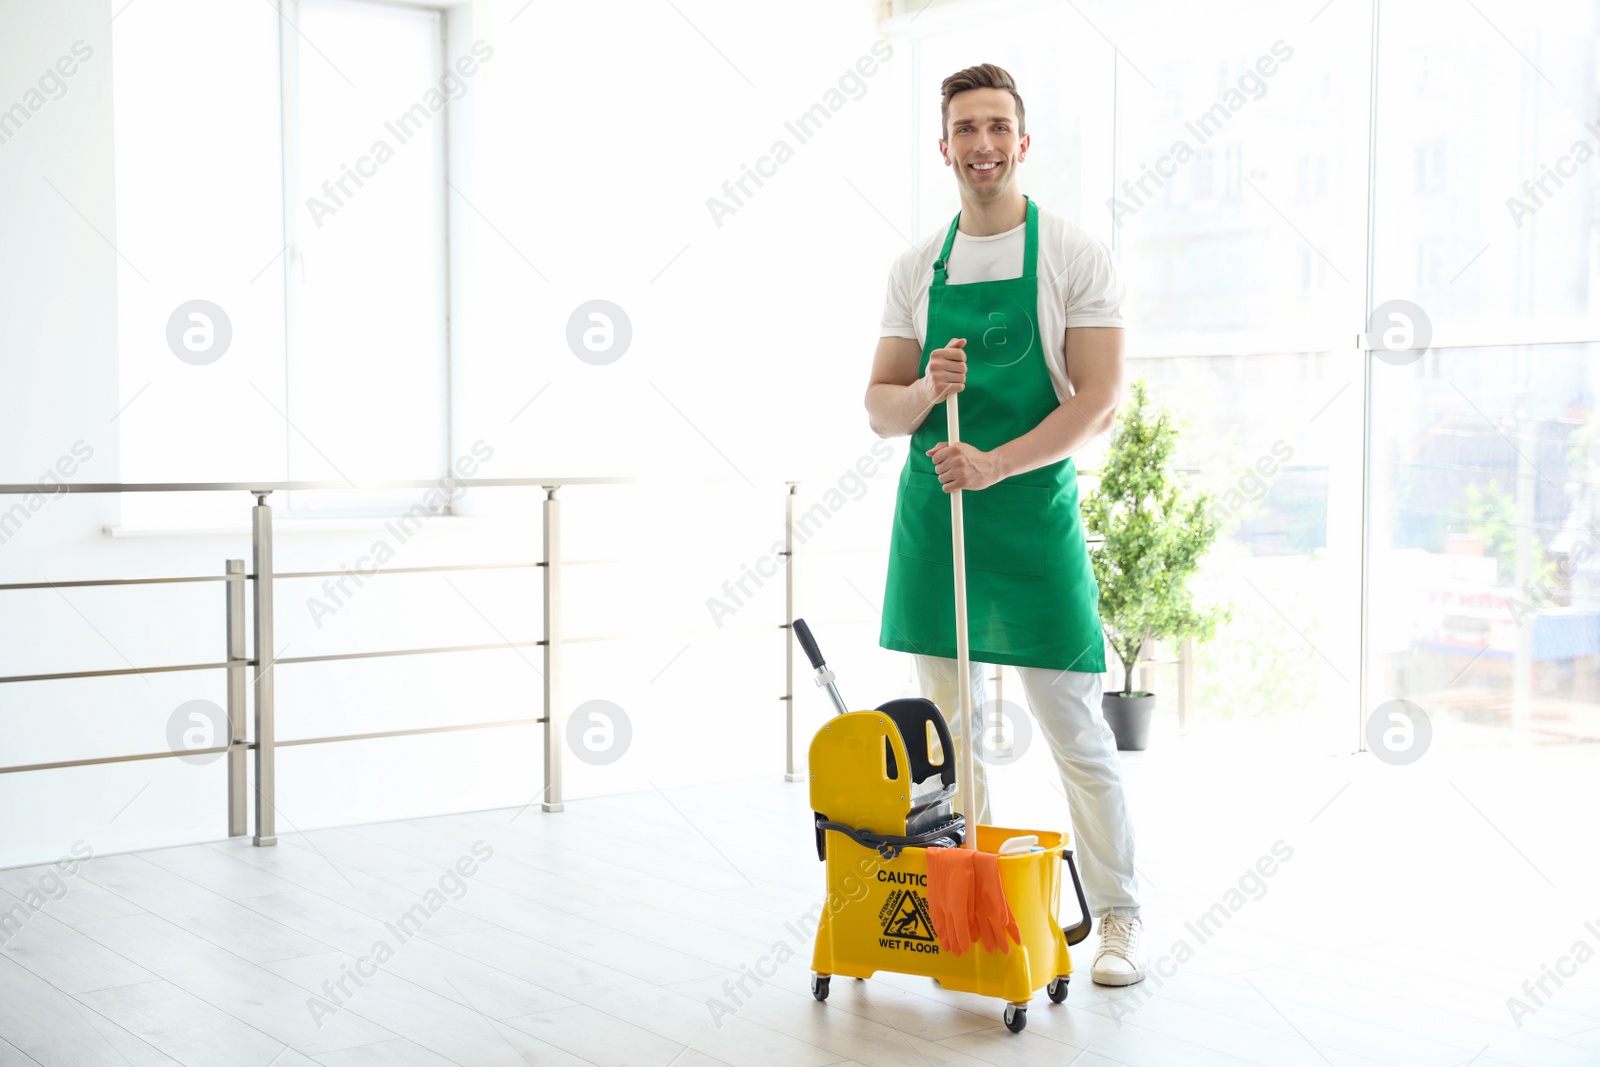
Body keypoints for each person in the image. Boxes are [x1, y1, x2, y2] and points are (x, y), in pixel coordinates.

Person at [863, 62, 1145, 986]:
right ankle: (967, 917)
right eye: (965, 129)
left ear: (1022, 141)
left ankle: (1118, 920)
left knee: (1074, 723)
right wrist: (924, 390)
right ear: (942, 147)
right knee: (943, 735)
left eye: (998, 127)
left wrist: (996, 462)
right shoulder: (918, 267)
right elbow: (880, 409)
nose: (982, 144)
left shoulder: (1071, 252)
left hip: (1029, 513)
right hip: (937, 515)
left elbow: (1098, 401)